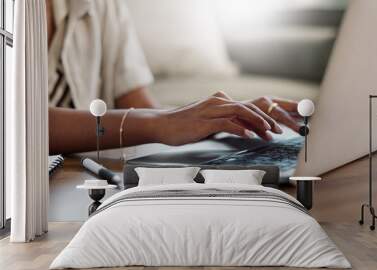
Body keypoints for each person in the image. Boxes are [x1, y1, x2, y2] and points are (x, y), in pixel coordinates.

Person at [46, 0, 301, 155]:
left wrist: (221, 118)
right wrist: (160, 124)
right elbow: (15, 125)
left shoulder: (105, 5)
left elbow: (139, 106)